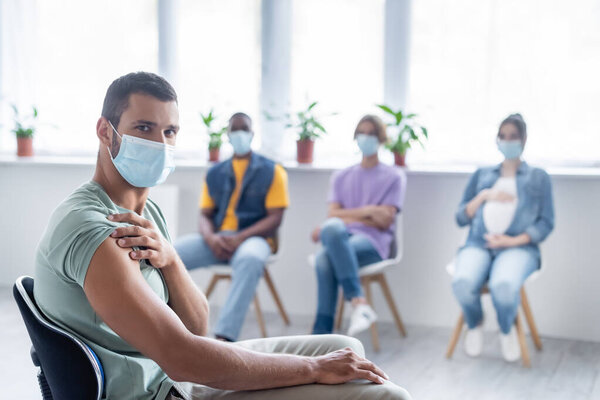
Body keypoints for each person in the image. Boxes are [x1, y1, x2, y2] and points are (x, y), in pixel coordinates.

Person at [33, 72, 411, 400]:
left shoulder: (149, 215)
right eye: (143, 128)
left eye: (170, 131)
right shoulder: (90, 227)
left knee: (345, 346)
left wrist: (171, 259)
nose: (160, 144)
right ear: (105, 131)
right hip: (163, 390)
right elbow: (184, 357)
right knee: (388, 396)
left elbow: (197, 328)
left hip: (179, 372)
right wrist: (312, 368)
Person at [174, 112, 288, 342]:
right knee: (169, 253)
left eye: (243, 128)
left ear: (252, 133)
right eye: (234, 130)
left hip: (255, 239)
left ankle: (225, 338)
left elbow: (275, 218)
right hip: (218, 238)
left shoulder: (273, 171)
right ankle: (166, 325)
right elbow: (205, 215)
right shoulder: (215, 172)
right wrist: (211, 239)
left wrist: (241, 237)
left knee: (250, 260)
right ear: (227, 135)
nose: (239, 134)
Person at [452, 113, 554, 362]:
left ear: (524, 139)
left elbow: (546, 223)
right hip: (479, 243)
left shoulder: (538, 177)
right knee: (462, 282)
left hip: (518, 248)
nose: (507, 141)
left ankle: (507, 328)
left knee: (504, 286)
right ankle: (474, 323)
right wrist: (484, 195)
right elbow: (460, 218)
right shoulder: (482, 174)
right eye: (503, 136)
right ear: (497, 140)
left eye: (513, 137)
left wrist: (512, 241)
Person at [311, 115, 406, 336]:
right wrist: (368, 211)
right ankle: (359, 303)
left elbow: (385, 220)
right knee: (333, 230)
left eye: (371, 133)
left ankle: (321, 336)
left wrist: (347, 216)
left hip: (374, 243)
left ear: (381, 138)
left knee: (325, 253)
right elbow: (333, 214)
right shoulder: (341, 176)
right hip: (342, 238)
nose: (366, 138)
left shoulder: (394, 176)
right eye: (361, 133)